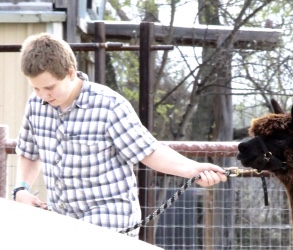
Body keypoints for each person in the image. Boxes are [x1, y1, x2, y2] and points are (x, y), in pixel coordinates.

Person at [14, 33, 228, 234]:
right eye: (36, 88)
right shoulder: (36, 105)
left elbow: (149, 151)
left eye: (49, 87)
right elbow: (29, 153)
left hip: (109, 219)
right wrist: (21, 189)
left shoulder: (109, 105)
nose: (43, 95)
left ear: (70, 73)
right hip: (62, 219)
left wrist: (193, 169)